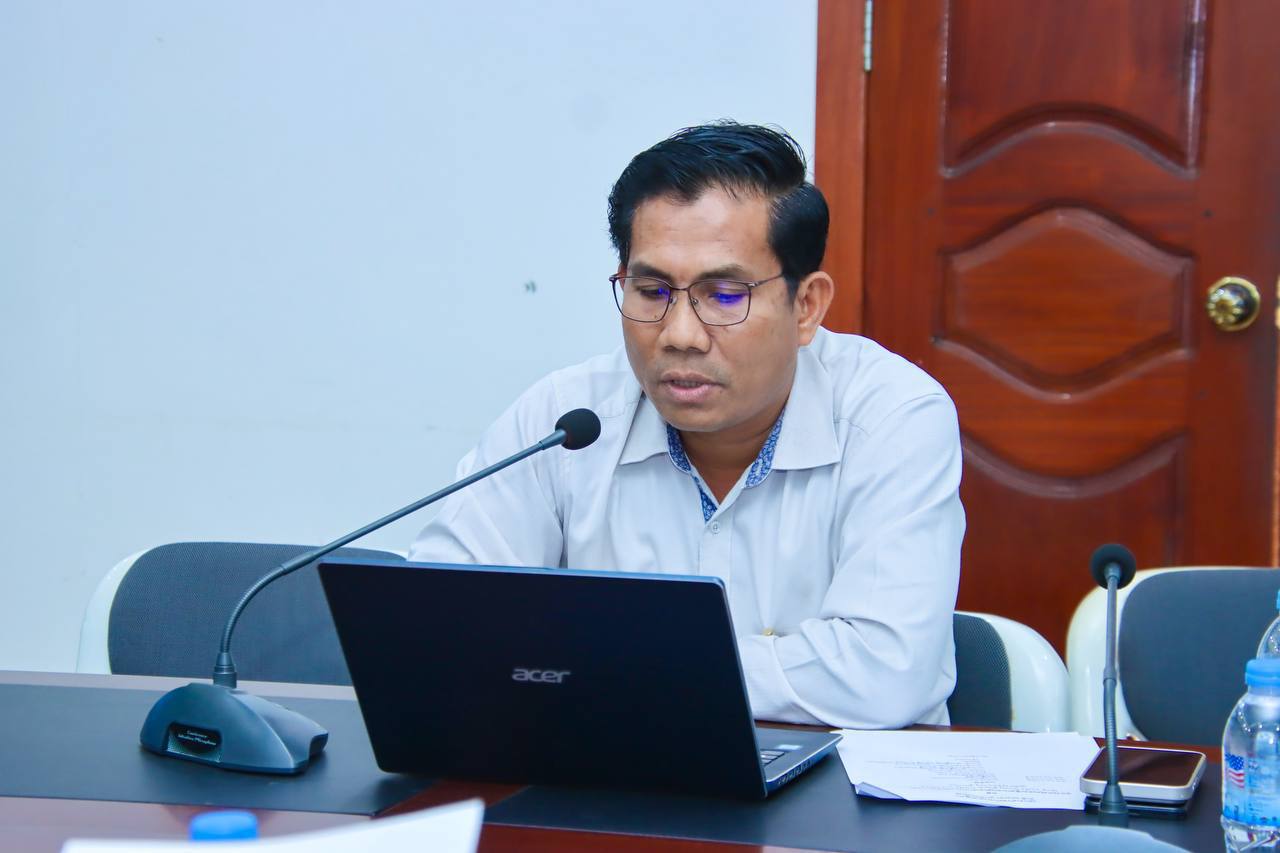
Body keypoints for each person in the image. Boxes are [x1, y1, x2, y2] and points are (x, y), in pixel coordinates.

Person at [409, 122, 964, 729]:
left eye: (724, 295)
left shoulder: (889, 418)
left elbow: (883, 675)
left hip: (845, 778)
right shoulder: (566, 420)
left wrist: (597, 664)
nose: (679, 335)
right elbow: (437, 619)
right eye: (652, 291)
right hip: (611, 770)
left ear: (806, 306)